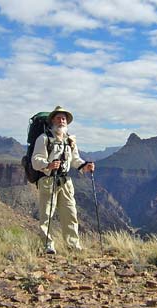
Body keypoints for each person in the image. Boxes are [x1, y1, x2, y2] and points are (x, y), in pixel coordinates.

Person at [32, 106, 95, 254]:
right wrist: (48, 164)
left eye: (64, 118)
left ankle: (73, 245)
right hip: (48, 180)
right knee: (46, 214)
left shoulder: (70, 140)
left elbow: (74, 159)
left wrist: (84, 166)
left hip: (65, 181)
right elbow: (35, 160)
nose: (62, 121)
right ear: (52, 120)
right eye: (59, 118)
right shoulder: (44, 139)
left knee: (70, 213)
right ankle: (48, 245)